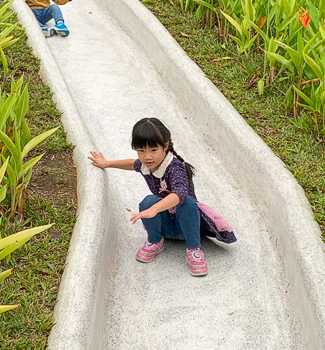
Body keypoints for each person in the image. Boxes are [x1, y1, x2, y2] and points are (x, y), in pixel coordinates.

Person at [88, 117, 236, 277]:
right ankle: (155, 240)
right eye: (141, 151)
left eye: (153, 150)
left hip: (185, 226)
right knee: (147, 202)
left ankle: (194, 249)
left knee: (188, 203)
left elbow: (179, 193)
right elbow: (132, 164)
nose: (147, 157)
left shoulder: (175, 168)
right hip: (166, 225)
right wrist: (107, 163)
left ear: (166, 146)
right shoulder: (146, 165)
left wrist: (155, 209)